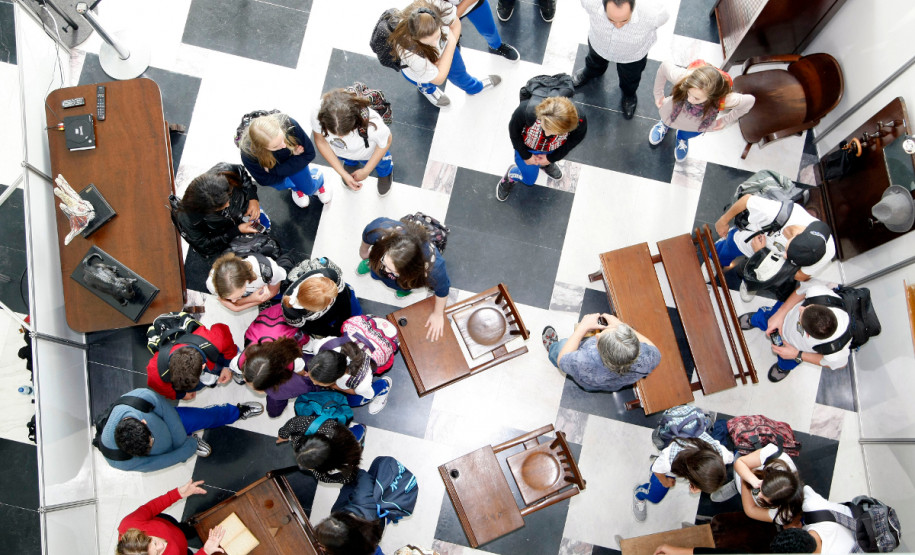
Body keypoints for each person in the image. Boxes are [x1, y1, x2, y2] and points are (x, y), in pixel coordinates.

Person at [99, 388, 263, 472]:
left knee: (206, 417)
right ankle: (192, 442)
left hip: (171, 422)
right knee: (182, 449)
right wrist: (187, 449)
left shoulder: (139, 399)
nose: (153, 443)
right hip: (173, 447)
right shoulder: (118, 461)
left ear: (143, 421)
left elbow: (166, 412)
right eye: (149, 448)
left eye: (151, 440)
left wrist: (182, 442)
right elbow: (159, 462)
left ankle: (237, 411)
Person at [715, 193, 835, 301]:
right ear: (796, 236)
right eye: (788, 252)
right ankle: (715, 260)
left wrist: (761, 255)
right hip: (755, 236)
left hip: (768, 258)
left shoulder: (828, 252)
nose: (785, 255)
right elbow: (747, 200)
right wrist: (723, 221)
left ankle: (749, 281)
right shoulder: (775, 212)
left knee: (762, 273)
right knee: (729, 247)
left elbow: (800, 276)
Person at [388, 0, 501, 108]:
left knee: (459, 72)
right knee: (427, 83)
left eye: (437, 37)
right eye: (428, 43)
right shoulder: (409, 53)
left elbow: (455, 22)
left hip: (446, 48)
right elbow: (438, 79)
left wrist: (447, 48)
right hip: (420, 71)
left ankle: (474, 88)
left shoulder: (437, 6)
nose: (435, 44)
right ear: (415, 37)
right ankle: (427, 90)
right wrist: (451, 43)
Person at [571, 0, 670, 118]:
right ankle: (590, 72)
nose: (617, 25)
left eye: (624, 20)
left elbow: (664, 17)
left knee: (630, 78)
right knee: (593, 62)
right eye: (611, 19)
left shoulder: (653, 13)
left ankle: (629, 95)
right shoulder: (590, 2)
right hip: (599, 44)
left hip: (632, 55)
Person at [358, 217, 450, 341]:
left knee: (404, 286)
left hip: (407, 281)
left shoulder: (435, 269)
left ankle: (404, 289)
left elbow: (442, 290)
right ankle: (370, 263)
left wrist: (438, 314)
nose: (385, 271)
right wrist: (365, 253)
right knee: (376, 270)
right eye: (385, 263)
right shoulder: (379, 229)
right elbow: (367, 236)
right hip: (385, 261)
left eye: (394, 271)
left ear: (413, 270)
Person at [739, 283, 851, 382]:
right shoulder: (819, 294)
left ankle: (782, 367)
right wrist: (780, 314)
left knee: (787, 360)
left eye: (801, 315)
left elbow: (839, 364)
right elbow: (802, 289)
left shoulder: (836, 350)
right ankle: (756, 319)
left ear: (806, 334)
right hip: (784, 315)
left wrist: (797, 354)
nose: (801, 309)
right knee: (768, 318)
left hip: (796, 348)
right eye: (806, 306)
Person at [650, 60, 755, 161]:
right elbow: (664, 66)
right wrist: (658, 95)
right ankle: (665, 124)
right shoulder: (683, 77)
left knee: (688, 133)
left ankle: (682, 137)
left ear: (712, 97)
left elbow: (749, 101)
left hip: (697, 124)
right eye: (688, 92)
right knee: (668, 115)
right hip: (673, 110)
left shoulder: (724, 99)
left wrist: (725, 121)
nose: (689, 99)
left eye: (696, 98)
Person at [496, 95, 588, 201]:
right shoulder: (526, 111)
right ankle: (511, 175)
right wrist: (526, 156)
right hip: (527, 148)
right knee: (529, 180)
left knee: (546, 159)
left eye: (556, 133)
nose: (548, 134)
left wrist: (550, 158)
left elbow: (573, 141)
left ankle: (544, 164)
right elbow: (514, 134)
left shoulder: (579, 121)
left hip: (552, 148)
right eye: (545, 128)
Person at [542, 313, 661, 392]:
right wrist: (620, 324)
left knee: (562, 347)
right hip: (610, 384)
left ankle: (552, 347)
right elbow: (654, 348)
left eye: (600, 338)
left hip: (589, 378)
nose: (598, 335)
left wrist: (582, 328)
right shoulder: (649, 357)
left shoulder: (585, 360)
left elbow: (562, 360)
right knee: (594, 387)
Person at [171, 163, 266, 261]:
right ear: (206, 209)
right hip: (222, 236)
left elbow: (241, 172)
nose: (228, 204)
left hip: (242, 212)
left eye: (229, 196)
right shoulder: (188, 218)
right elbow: (205, 245)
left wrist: (252, 197)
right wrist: (237, 231)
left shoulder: (224, 172)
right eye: (220, 207)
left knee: (262, 227)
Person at [237, 111, 332, 208]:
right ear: (261, 147)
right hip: (293, 163)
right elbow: (264, 180)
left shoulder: (289, 125)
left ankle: (317, 178)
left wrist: (275, 170)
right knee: (287, 184)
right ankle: (296, 188)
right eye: (275, 146)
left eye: (282, 138)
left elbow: (310, 154)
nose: (283, 145)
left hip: (278, 171)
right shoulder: (248, 154)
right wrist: (292, 161)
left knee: (309, 190)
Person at [312, 89, 395, 196]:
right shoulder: (317, 112)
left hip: (369, 154)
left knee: (382, 164)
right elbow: (321, 141)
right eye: (332, 132)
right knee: (347, 157)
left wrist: (366, 170)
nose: (340, 137)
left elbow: (386, 141)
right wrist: (343, 173)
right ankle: (351, 163)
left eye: (346, 132)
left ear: (356, 120)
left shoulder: (373, 124)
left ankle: (385, 173)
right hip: (342, 152)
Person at [632, 435, 733, 521]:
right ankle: (638, 494)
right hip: (666, 470)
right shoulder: (668, 460)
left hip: (684, 464)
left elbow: (731, 457)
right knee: (655, 497)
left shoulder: (722, 455)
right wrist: (665, 482)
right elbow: (657, 470)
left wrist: (699, 484)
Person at [116, 479, 225, 555]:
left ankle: (187, 527)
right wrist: (205, 551)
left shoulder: (129, 524)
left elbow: (150, 508)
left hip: (169, 525)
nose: (162, 546)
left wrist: (177, 494)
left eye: (154, 542)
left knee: (186, 528)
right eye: (157, 553)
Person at [715, 443, 805, 527]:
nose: (759, 494)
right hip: (749, 474)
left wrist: (748, 477)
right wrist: (751, 480)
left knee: (743, 474)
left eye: (764, 498)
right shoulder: (774, 453)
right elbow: (740, 462)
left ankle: (737, 487)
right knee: (738, 465)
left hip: (749, 474)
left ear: (778, 505)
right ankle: (736, 484)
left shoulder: (783, 515)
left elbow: (751, 510)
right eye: (762, 490)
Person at [146, 322, 238, 401]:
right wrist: (181, 395)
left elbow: (225, 335)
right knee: (209, 379)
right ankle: (212, 381)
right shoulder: (156, 373)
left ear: (203, 366)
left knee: (228, 359)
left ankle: (235, 368)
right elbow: (162, 388)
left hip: (212, 355)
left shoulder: (213, 341)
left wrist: (228, 366)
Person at [232, 336, 317, 418]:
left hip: (293, 376)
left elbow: (301, 371)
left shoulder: (283, 388)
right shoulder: (237, 363)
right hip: (296, 366)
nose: (244, 379)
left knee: (274, 409)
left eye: (255, 388)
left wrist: (304, 376)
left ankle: (274, 413)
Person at [282, 257, 363, 337]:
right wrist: (334, 332)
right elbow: (313, 327)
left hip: (344, 301)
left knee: (354, 312)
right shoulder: (291, 313)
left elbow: (344, 301)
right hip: (320, 320)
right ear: (312, 308)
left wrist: (342, 324)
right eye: (330, 301)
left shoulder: (331, 275)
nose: (333, 300)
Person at [277, 412, 364, 483]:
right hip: (342, 435)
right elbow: (294, 423)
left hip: (345, 440)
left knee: (355, 436)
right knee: (356, 433)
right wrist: (283, 435)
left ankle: (361, 431)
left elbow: (347, 478)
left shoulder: (340, 469)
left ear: (325, 466)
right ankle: (361, 428)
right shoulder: (321, 427)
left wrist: (283, 435)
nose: (300, 465)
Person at [308, 344, 393, 414]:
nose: (314, 383)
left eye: (318, 382)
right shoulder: (322, 345)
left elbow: (365, 393)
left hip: (378, 358)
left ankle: (383, 386)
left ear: (335, 379)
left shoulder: (360, 383)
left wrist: (334, 386)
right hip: (364, 342)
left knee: (353, 401)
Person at [207, 252, 287, 313]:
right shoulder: (213, 284)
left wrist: (243, 303)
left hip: (275, 276)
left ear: (246, 281)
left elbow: (273, 292)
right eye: (230, 298)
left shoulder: (268, 270)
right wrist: (251, 299)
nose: (234, 301)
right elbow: (235, 307)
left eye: (238, 296)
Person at [446, 0, 519, 60]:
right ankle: (453, 45)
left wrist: (453, 17)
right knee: (449, 39)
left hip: (472, 4)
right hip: (444, 12)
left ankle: (495, 45)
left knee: (489, 30)